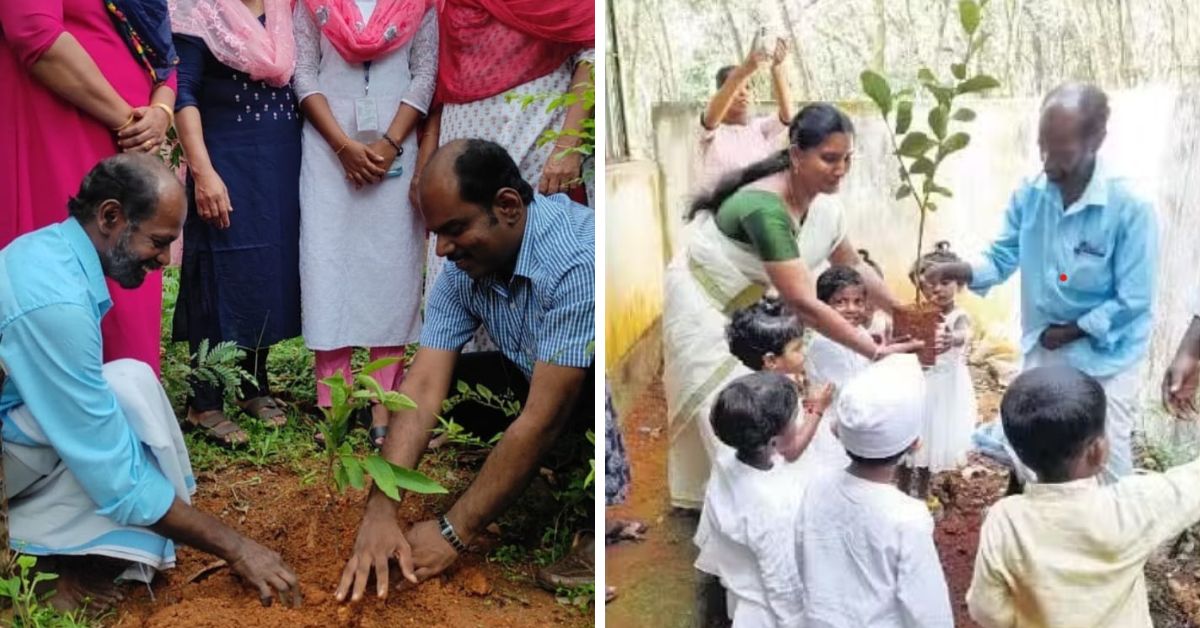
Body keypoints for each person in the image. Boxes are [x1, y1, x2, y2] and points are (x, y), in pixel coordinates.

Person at [0, 155, 300, 611]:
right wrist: (236, 546)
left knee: (128, 384)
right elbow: (113, 471)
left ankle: (50, 545)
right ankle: (35, 560)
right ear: (110, 216)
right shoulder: (55, 304)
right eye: (158, 242)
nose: (164, 259)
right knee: (107, 432)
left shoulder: (49, 253)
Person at [334, 139, 595, 603]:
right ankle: (530, 472)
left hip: (607, 392)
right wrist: (380, 509)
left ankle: (600, 519)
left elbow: (541, 419)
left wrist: (453, 532)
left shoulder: (578, 262)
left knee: (565, 416)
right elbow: (424, 385)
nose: (441, 250)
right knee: (452, 384)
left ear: (508, 206)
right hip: (536, 375)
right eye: (436, 233)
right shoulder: (463, 269)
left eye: (454, 229)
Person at [663, 103, 917, 510]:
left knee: (759, 403)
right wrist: (872, 349)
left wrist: (900, 309)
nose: (840, 169)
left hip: (748, 313)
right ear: (797, 155)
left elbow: (850, 262)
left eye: (847, 158)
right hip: (705, 303)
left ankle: (743, 502)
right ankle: (743, 511)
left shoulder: (824, 206)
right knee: (729, 406)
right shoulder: (767, 210)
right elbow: (803, 301)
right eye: (829, 158)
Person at [923, 82, 1158, 484]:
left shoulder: (1131, 208)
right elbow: (1002, 256)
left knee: (1104, 466)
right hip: (1045, 347)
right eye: (1042, 147)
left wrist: (1072, 331)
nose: (1047, 162)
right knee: (1037, 456)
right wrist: (963, 270)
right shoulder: (1031, 195)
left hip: (1107, 359)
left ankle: (1105, 542)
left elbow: (1133, 299)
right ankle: (1043, 531)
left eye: (1061, 151)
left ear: (1096, 140)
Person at [0, 0, 180, 374]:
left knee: (131, 280)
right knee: (68, 279)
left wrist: (160, 113)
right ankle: (67, 418)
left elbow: (163, 55)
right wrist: (127, 120)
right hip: (63, 135)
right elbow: (34, 32)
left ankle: (130, 410)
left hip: (132, 149)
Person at [293, 0, 438, 447]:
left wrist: (393, 142)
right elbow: (304, 72)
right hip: (326, 152)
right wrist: (342, 147)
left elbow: (426, 71)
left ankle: (382, 403)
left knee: (390, 270)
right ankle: (334, 403)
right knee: (326, 265)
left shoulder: (422, 4)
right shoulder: (311, 4)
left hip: (396, 151)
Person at [967, 366, 1200, 628]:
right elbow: (1192, 485)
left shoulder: (1005, 521)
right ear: (1098, 451)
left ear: (1019, 456)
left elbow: (985, 608)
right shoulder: (1132, 506)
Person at [419, 0, 596, 336]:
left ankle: (543, 371)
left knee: (531, 259)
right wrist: (425, 166)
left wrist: (567, 147)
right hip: (458, 145)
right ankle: (464, 371)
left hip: (534, 137)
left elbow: (591, 51)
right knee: (458, 259)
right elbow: (440, 88)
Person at [169, 0, 302, 444]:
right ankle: (203, 401)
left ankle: (251, 385)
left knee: (263, 267)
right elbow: (182, 92)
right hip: (225, 159)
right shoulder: (196, 10)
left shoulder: (286, 7)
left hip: (279, 162)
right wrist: (203, 172)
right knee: (217, 266)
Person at [787, 355, 953, 628]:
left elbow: (802, 555)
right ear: (914, 444)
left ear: (837, 432)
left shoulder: (816, 487)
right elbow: (928, 609)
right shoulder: (908, 517)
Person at [695, 372, 816, 627]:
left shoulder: (726, 459)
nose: (799, 422)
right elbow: (782, 580)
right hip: (768, 612)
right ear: (773, 440)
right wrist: (798, 620)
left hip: (743, 589)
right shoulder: (771, 505)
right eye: (796, 418)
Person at [897, 242, 977, 504]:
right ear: (919, 283)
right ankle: (901, 488)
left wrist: (954, 338)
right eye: (931, 282)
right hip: (915, 385)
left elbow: (964, 335)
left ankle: (921, 494)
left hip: (941, 392)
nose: (938, 288)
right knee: (908, 438)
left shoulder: (958, 316)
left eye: (946, 282)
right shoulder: (916, 312)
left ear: (960, 285)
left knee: (928, 443)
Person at [697, 37, 793, 193]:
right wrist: (748, 67)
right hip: (721, 213)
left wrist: (777, 67)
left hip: (759, 209)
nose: (743, 93)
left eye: (747, 87)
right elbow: (709, 120)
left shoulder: (760, 128)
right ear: (723, 94)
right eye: (736, 89)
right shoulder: (708, 134)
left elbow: (787, 116)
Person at [805, 266, 874, 389]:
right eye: (840, 302)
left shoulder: (861, 331)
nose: (852, 309)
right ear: (823, 306)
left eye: (858, 302)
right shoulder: (823, 343)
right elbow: (847, 392)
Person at [858, 249, 893, 344]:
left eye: (874, 294)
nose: (870, 302)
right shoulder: (842, 328)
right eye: (863, 294)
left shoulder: (886, 324)